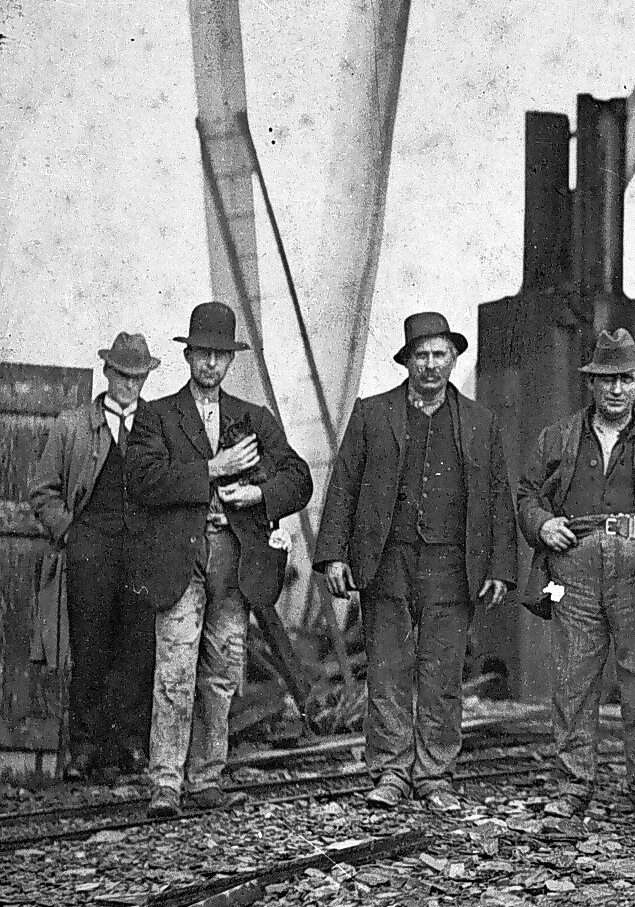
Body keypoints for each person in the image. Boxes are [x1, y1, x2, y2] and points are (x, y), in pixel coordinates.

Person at [314, 312, 518, 811]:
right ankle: (390, 772)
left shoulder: (480, 422)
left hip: (451, 565)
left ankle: (434, 775)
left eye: (440, 355)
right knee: (387, 669)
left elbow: (498, 497)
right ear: (406, 361)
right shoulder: (371, 413)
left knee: (442, 674)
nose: (431, 365)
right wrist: (334, 555)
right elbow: (343, 487)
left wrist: (500, 568)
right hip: (387, 561)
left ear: (454, 359)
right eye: (421, 355)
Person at [126, 302, 312, 818]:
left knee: (223, 670)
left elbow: (299, 477)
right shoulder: (157, 416)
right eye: (202, 353)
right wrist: (213, 467)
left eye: (220, 355)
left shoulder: (254, 418)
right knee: (175, 668)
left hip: (234, 561)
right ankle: (166, 783)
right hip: (180, 560)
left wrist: (260, 495)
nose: (210, 363)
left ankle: (206, 778)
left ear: (230, 360)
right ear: (188, 356)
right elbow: (141, 480)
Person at [517, 328, 635, 824]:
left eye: (625, 379)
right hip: (572, 567)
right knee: (573, 678)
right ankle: (573, 785)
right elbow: (527, 494)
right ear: (592, 384)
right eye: (606, 380)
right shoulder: (558, 436)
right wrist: (543, 524)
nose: (616, 389)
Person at [29, 332, 162, 781]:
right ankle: (84, 750)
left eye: (137, 377)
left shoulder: (156, 426)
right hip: (90, 551)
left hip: (140, 554)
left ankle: (130, 746)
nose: (129, 385)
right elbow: (43, 491)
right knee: (89, 649)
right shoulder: (74, 425)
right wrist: (71, 532)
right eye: (122, 375)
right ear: (107, 372)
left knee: (137, 648)